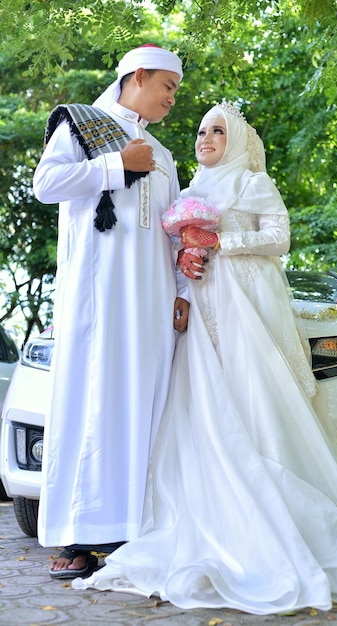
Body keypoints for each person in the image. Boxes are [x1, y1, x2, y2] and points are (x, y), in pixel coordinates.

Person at [73, 101, 337, 613]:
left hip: (250, 310)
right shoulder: (189, 191)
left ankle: (283, 519)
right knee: (202, 409)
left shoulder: (251, 183)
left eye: (216, 131)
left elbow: (280, 238)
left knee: (255, 403)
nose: (205, 138)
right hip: (202, 313)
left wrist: (220, 240)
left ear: (238, 140)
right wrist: (188, 257)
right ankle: (209, 516)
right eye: (201, 131)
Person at [32, 44, 190, 579]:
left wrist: (181, 294)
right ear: (138, 75)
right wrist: (115, 165)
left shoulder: (164, 155)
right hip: (95, 300)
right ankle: (78, 536)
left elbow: (172, 234)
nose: (173, 98)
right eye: (167, 86)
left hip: (150, 306)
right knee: (90, 403)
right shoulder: (80, 127)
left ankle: (133, 533)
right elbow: (45, 184)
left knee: (143, 408)